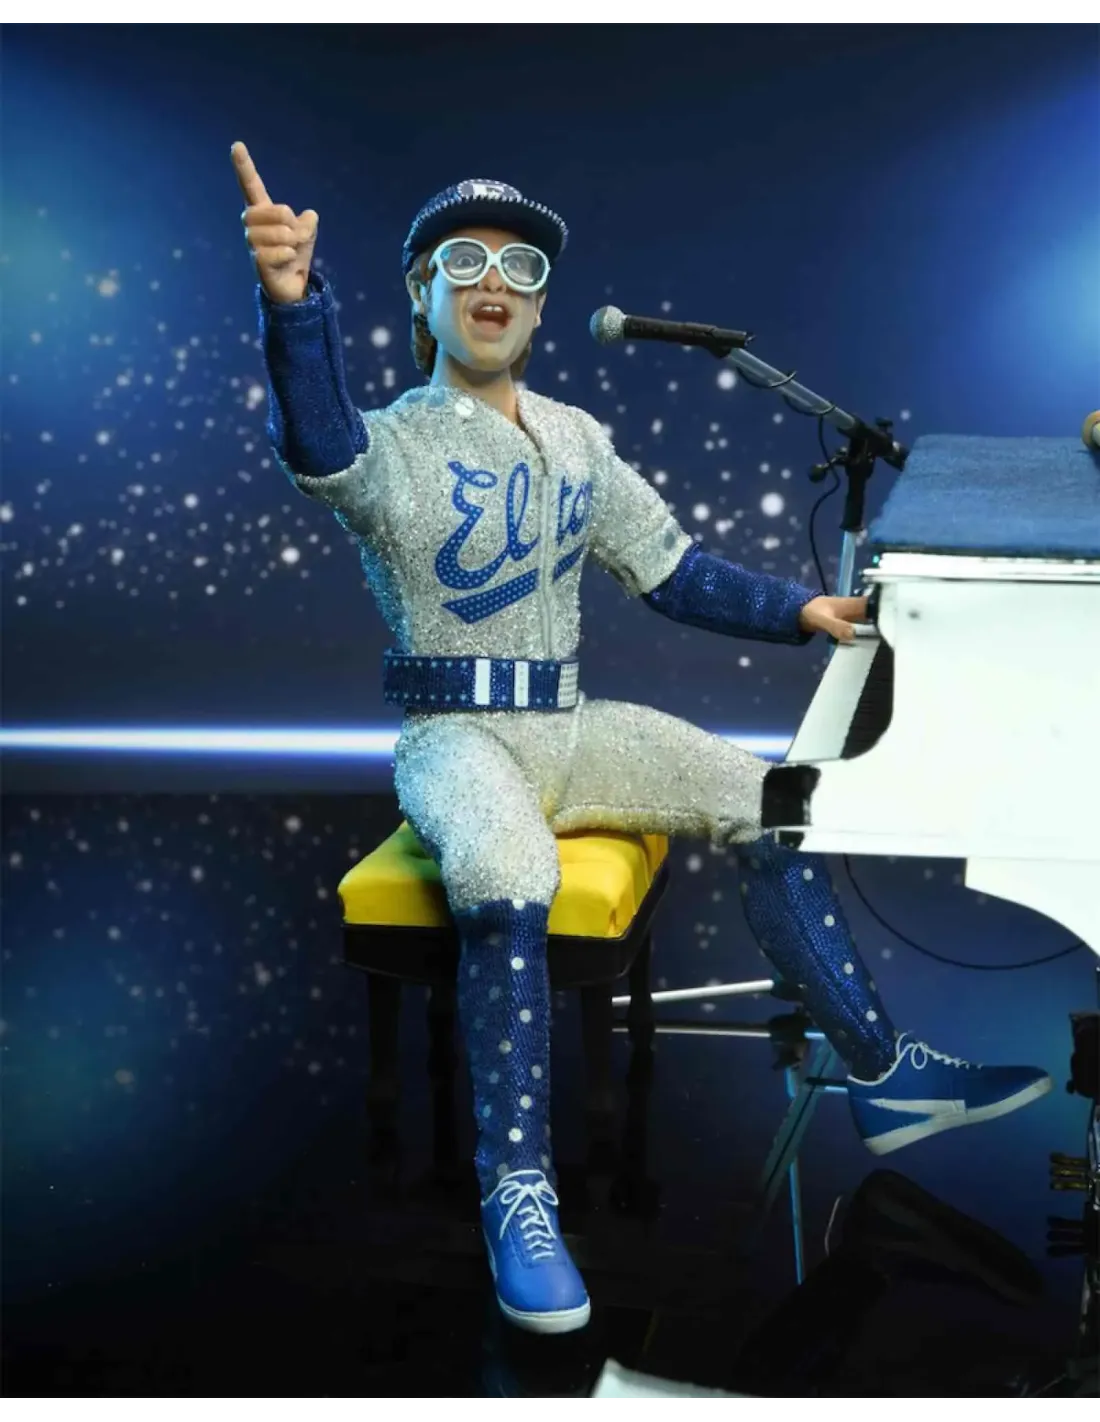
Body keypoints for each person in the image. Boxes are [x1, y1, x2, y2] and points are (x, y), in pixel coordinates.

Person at [232, 143, 1052, 1336]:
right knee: (505, 873)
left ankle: (880, 1076)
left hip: (569, 727)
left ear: (540, 304)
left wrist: (798, 611)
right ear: (420, 292)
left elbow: (671, 571)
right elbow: (316, 442)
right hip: (455, 736)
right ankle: (519, 1192)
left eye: (519, 266)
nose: (493, 282)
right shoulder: (392, 442)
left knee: (769, 800)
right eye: (462, 262)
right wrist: (293, 304)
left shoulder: (575, 438)